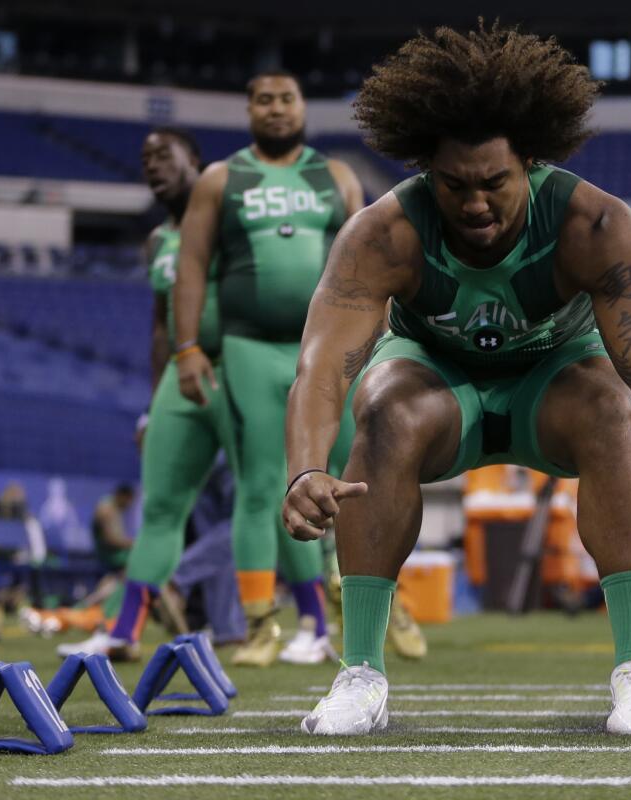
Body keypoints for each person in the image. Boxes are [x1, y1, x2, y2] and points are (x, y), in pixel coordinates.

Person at [283, 23, 631, 736]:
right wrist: (303, 472)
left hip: (555, 383)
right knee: (383, 407)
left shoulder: (594, 224)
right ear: (425, 172)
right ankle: (360, 675)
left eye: (493, 184)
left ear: (531, 163)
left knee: (612, 404)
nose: (475, 203)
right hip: (436, 382)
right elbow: (324, 363)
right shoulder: (383, 232)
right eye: (453, 186)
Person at [172, 72, 365, 666]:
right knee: (264, 486)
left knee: (355, 479)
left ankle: (356, 609)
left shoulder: (336, 176)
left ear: (303, 107)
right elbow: (192, 263)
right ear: (249, 109)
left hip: (330, 349)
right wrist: (187, 346)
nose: (277, 109)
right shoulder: (220, 179)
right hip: (251, 348)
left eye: (287, 99)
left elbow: (373, 258)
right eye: (264, 100)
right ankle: (263, 624)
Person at [57, 127, 244, 661]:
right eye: (144, 158)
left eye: (165, 155)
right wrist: (153, 404)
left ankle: (307, 625)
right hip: (183, 384)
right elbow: (162, 329)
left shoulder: (233, 221)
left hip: (240, 373)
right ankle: (125, 630)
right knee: (163, 509)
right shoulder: (158, 241)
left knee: (265, 505)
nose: (152, 165)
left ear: (196, 160)